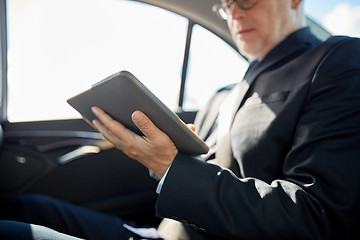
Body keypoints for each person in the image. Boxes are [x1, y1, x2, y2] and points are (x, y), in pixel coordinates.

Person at [1, 0, 360, 239]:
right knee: (23, 206)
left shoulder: (337, 61)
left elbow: (317, 216)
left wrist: (170, 165)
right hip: (156, 232)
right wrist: (161, 158)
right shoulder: (222, 95)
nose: (234, 11)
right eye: (225, 3)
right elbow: (196, 175)